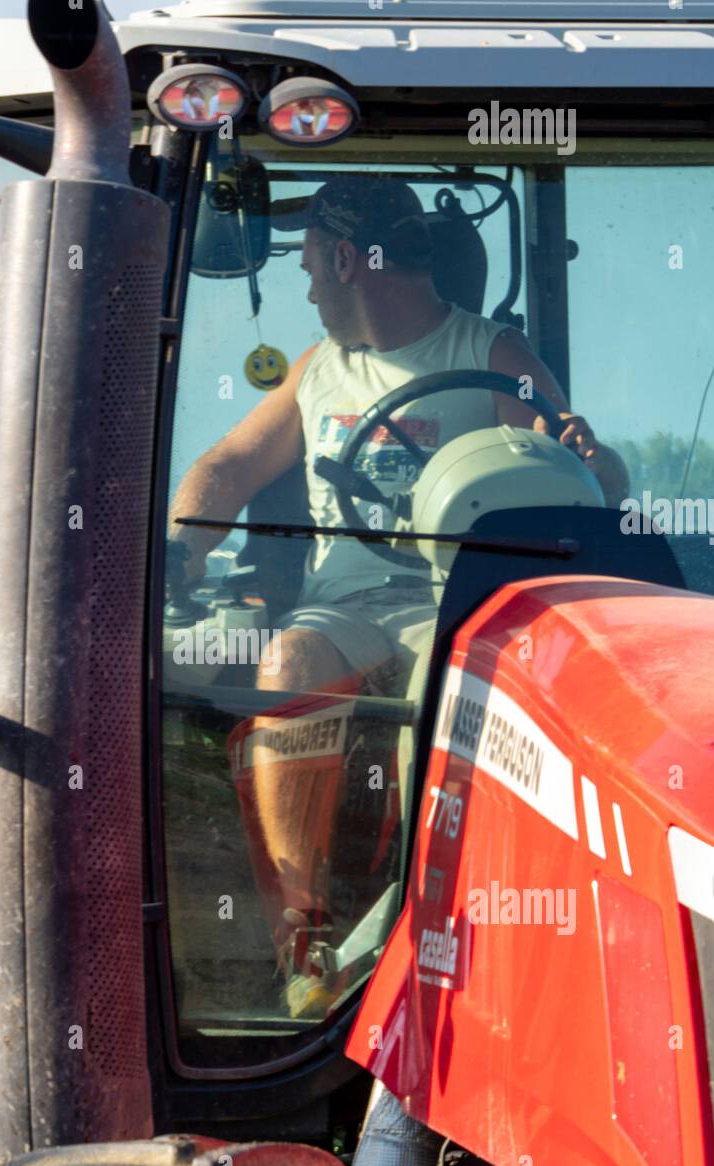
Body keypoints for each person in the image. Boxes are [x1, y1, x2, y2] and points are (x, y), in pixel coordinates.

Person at [169, 175, 628, 1016]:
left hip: (458, 603)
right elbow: (229, 466)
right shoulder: (317, 372)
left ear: (348, 260)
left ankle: (465, 937)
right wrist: (181, 549)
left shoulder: (488, 354)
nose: (306, 284)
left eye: (310, 264)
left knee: (482, 695)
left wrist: (586, 456)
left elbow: (577, 467)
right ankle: (303, 946)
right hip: (345, 609)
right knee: (290, 660)